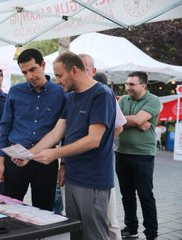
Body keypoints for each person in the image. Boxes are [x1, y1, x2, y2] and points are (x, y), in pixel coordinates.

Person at [17, 51, 116, 240]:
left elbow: (93, 140)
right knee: (76, 234)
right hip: (73, 178)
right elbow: (56, 132)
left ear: (74, 70)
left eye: (60, 75)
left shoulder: (101, 94)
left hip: (93, 179)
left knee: (94, 235)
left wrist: (55, 154)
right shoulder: (71, 97)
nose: (57, 81)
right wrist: (28, 154)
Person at [0, 48, 68, 211]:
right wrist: (0, 162)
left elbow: (64, 132)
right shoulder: (15, 92)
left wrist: (63, 164)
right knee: (10, 208)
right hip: (15, 158)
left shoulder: (60, 93)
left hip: (45, 159)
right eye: (24, 72)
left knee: (44, 210)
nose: (29, 76)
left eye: (32, 69)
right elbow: (5, 126)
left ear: (42, 65)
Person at [80, 54, 126, 240]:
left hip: (99, 169)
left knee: (109, 219)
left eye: (84, 68)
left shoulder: (104, 94)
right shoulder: (71, 95)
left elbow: (119, 127)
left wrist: (100, 143)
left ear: (93, 71)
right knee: (82, 219)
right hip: (77, 170)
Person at [115, 71, 160, 240]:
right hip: (121, 153)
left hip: (143, 155)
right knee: (127, 195)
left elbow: (134, 121)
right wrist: (135, 120)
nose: (128, 88)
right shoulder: (124, 100)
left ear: (143, 85)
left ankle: (151, 233)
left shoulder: (153, 101)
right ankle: (131, 228)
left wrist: (132, 120)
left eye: (132, 84)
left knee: (145, 195)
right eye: (127, 84)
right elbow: (116, 120)